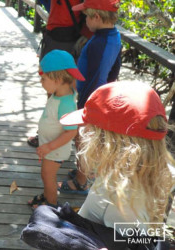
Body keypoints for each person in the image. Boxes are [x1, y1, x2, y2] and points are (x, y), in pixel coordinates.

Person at [22, 81, 174, 250]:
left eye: (91, 127)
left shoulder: (120, 190)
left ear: (110, 142)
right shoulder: (161, 173)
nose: (83, 132)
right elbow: (142, 238)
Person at [58, 0, 122, 195]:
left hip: (90, 101)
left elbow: (95, 78)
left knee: (82, 139)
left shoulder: (99, 43)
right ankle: (83, 171)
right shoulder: (114, 36)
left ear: (96, 17)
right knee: (87, 138)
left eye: (86, 16)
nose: (84, 20)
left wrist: (83, 109)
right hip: (100, 98)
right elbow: (114, 70)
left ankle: (81, 181)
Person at [27, 0, 94, 147]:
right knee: (69, 86)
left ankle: (54, 135)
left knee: (54, 85)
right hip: (76, 37)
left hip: (59, 38)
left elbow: (46, 4)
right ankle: (65, 131)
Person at [27, 50, 85, 209]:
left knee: (47, 176)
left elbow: (71, 131)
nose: (41, 82)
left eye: (43, 78)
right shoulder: (60, 93)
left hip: (55, 149)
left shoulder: (66, 104)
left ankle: (50, 206)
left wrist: (48, 147)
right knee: (46, 175)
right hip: (51, 147)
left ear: (58, 79)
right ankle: (47, 196)